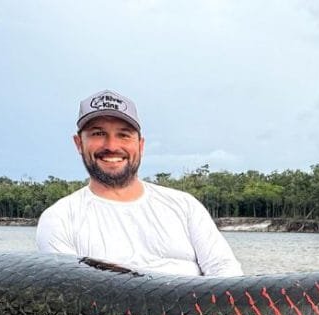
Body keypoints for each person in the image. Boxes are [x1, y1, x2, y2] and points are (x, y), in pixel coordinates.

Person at [35, 89, 243, 277]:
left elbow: (225, 271)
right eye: (98, 134)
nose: (112, 146)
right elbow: (69, 295)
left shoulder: (185, 206)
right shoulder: (59, 219)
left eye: (123, 135)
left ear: (140, 145)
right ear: (79, 143)